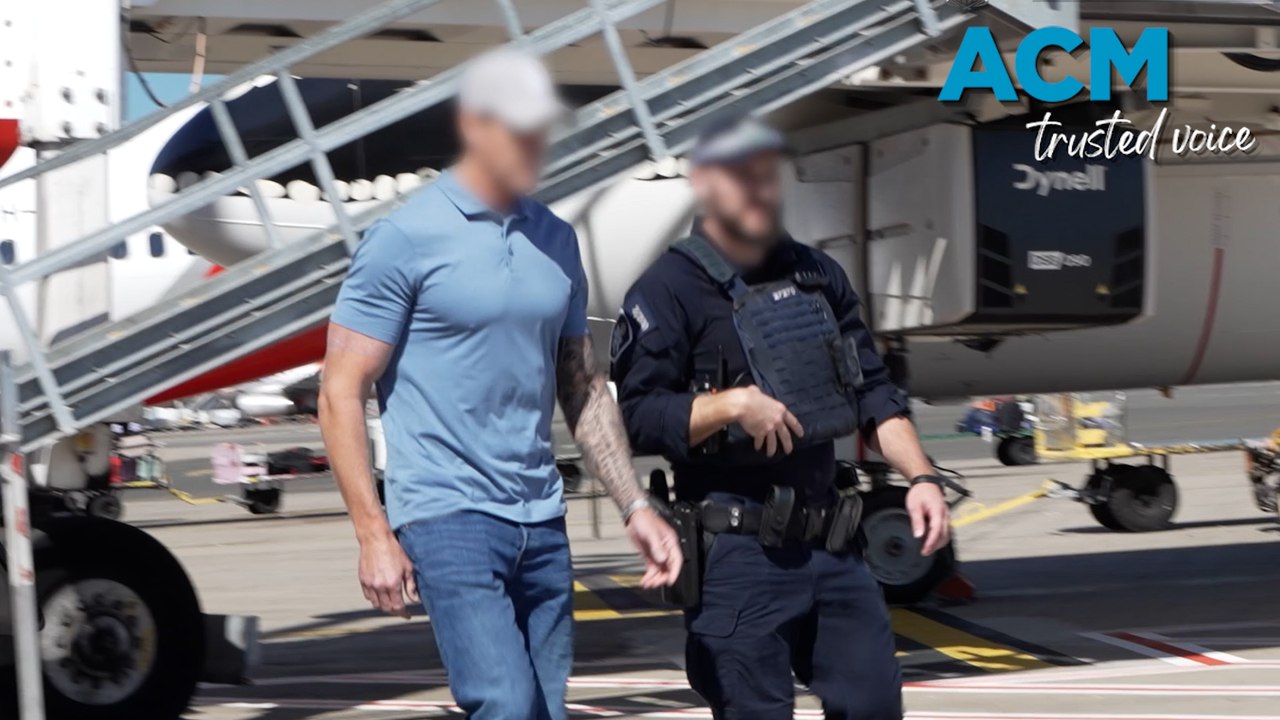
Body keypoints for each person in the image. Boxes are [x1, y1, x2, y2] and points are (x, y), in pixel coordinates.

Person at [318, 48, 681, 720]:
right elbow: (340, 389)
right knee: (506, 706)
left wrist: (634, 505)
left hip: (540, 518)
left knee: (542, 709)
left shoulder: (557, 240)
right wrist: (373, 532)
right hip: (446, 514)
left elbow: (581, 385)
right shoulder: (406, 236)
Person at [609, 116, 952, 720]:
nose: (762, 192)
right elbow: (637, 418)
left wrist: (922, 478)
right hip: (739, 558)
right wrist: (732, 404)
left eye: (769, 177)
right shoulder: (668, 289)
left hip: (834, 546)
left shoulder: (817, 275)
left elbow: (874, 393)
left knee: (874, 703)